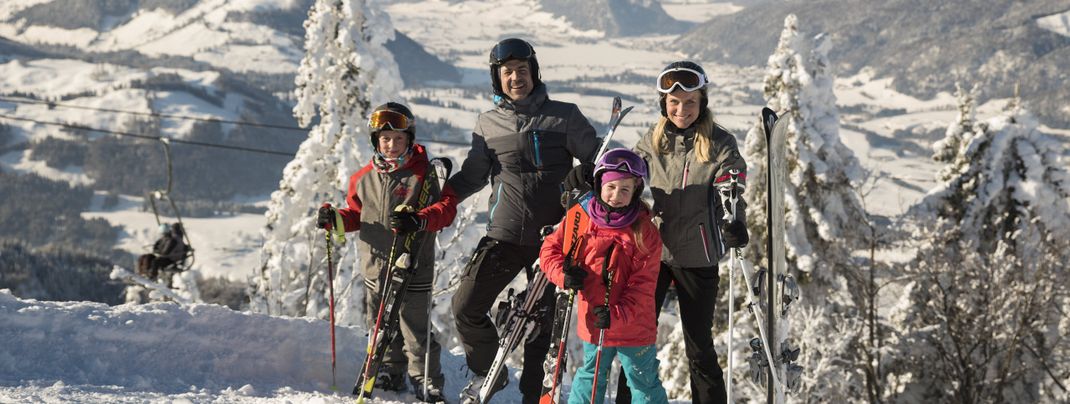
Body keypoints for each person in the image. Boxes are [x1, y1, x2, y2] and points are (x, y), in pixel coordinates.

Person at [446, 37, 601, 404]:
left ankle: (536, 397)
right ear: (496, 79)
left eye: (522, 70)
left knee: (541, 332)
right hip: (505, 234)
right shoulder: (487, 124)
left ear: (534, 72)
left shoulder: (565, 116)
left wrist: (588, 175)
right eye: (507, 72)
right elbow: (472, 176)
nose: (516, 78)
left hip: (556, 238)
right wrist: (438, 199)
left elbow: (601, 164)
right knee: (465, 306)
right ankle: (491, 373)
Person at [613, 61, 749, 404]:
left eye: (690, 102)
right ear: (664, 104)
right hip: (652, 255)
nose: (682, 110)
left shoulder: (719, 144)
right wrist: (596, 176)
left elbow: (730, 190)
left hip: (697, 256)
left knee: (699, 346)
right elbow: (624, 177)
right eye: (674, 102)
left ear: (702, 102)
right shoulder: (652, 142)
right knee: (637, 341)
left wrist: (734, 222)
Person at [316, 102, 457, 403]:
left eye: (399, 139)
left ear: (410, 139)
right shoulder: (363, 178)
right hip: (374, 268)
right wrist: (335, 220)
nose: (392, 145)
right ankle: (390, 371)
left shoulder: (425, 175)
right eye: (385, 139)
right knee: (379, 326)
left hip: (412, 267)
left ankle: (426, 380)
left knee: (414, 328)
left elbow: (446, 210)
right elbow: (357, 216)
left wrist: (419, 219)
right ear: (376, 141)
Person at [540, 148, 669, 404]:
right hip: (593, 320)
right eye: (611, 187)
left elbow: (642, 286)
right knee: (590, 378)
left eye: (625, 189)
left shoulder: (644, 231)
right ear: (600, 184)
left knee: (643, 383)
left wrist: (616, 315)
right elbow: (549, 250)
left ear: (635, 192)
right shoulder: (582, 217)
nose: (616, 196)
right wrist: (564, 276)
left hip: (633, 326)